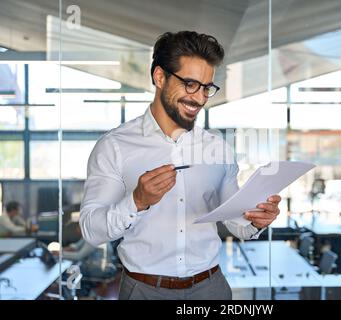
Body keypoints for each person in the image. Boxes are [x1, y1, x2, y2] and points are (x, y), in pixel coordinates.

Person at [79, 31, 281, 300]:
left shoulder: (217, 148)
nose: (199, 98)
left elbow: (236, 222)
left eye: (206, 88)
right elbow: (91, 231)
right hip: (144, 290)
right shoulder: (115, 146)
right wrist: (137, 201)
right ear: (160, 77)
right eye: (190, 84)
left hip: (211, 288)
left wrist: (256, 220)